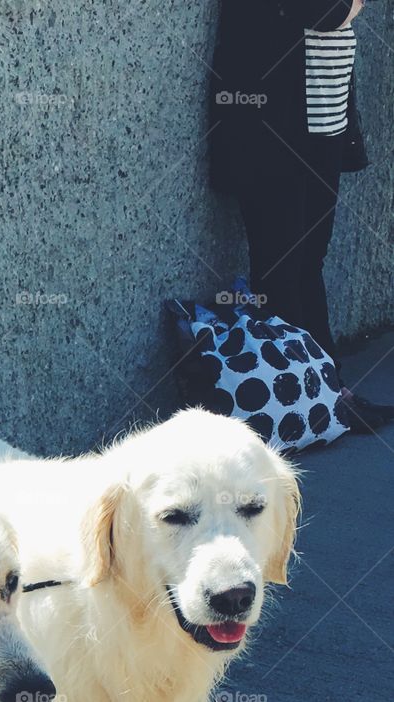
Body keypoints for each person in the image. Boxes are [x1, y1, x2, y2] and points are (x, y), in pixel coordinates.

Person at [210, 0, 392, 432]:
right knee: (279, 268)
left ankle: (327, 392)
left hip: (322, 128)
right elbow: (325, 10)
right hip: (274, 131)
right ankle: (290, 403)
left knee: (309, 259)